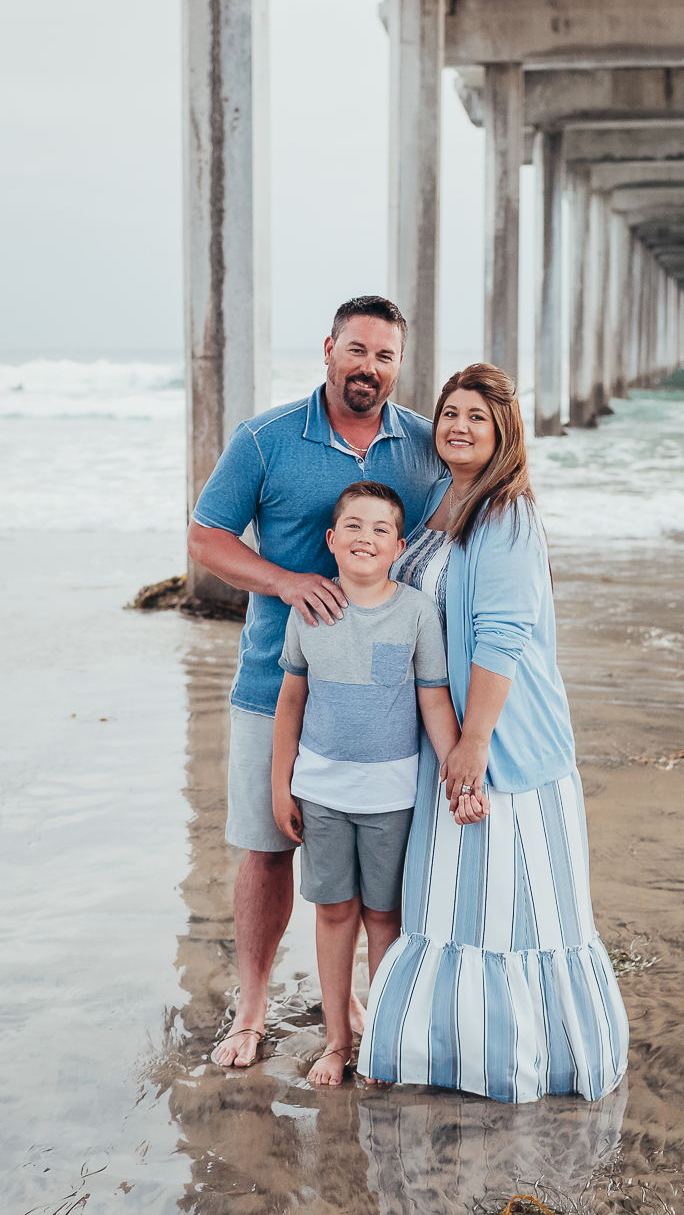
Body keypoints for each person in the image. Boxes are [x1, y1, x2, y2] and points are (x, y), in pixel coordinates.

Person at [187, 297, 447, 1069]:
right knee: (269, 848)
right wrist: (286, 581)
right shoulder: (265, 440)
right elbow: (206, 538)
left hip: (388, 704)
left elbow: (461, 529)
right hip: (277, 683)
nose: (370, 367)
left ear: (400, 365)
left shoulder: (426, 447)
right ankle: (253, 1004)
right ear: (329, 348)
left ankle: (362, 1006)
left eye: (386, 356)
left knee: (379, 877)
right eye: (357, 350)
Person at [358, 363, 629, 1103]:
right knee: (451, 901)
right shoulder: (443, 500)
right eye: (449, 413)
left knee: (508, 902)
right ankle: (443, 1050)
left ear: (504, 431)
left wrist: (474, 742)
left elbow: (500, 634)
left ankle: (513, 1060)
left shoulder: (505, 512)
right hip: (442, 739)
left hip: (504, 741)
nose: (459, 426)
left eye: (477, 416)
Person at [269, 482, 457, 1087]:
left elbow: (433, 701)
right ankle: (335, 1040)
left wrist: (458, 770)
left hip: (393, 798)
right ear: (331, 539)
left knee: (384, 918)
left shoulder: (416, 612)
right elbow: (291, 700)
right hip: (321, 794)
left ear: (400, 546)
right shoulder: (309, 610)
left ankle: (379, 1040)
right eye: (353, 526)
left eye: (380, 530)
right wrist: (281, 785)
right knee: (333, 913)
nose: (365, 539)